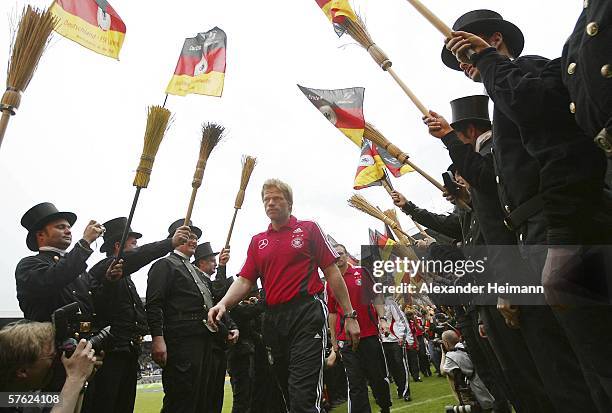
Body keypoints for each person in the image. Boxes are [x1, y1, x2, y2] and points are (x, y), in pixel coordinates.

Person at [443, 10, 610, 410]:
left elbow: (540, 114)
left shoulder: (530, 72)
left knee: (598, 357)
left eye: (466, 51)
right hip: (532, 238)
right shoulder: (504, 101)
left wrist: (490, 62)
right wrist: (451, 140)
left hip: (562, 225)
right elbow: (492, 184)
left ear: (495, 39)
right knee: (568, 363)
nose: (464, 64)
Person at [208, 178, 360, 413]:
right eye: (266, 200)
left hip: (306, 315)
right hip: (273, 322)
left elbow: (331, 272)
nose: (271, 203)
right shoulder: (257, 241)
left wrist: (349, 315)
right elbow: (246, 280)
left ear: (289, 203)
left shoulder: (309, 229)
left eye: (277, 198)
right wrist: (223, 304)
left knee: (303, 398)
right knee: (287, 397)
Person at [82, 217, 191, 413]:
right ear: (118, 246)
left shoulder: (127, 280)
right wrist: (169, 243)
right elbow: (138, 257)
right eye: (133, 243)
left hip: (128, 352)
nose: (137, 247)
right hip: (110, 354)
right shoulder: (103, 267)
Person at [145, 219, 217, 413]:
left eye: (195, 237)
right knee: (181, 397)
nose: (193, 241)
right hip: (181, 339)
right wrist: (157, 338)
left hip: (201, 337)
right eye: (188, 236)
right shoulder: (165, 265)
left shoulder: (194, 271)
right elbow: (154, 304)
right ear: (175, 238)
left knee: (199, 396)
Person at [15, 202, 114, 323]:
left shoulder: (78, 268)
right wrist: (84, 243)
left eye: (69, 227)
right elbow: (55, 277)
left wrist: (110, 281)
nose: (68, 231)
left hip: (85, 340)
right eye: (61, 227)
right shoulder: (28, 265)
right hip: (50, 340)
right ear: (41, 235)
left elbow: (98, 302)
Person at [327, 243, 392, 413]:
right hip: (346, 340)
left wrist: (383, 319)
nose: (338, 257)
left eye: (340, 253)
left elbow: (376, 296)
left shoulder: (361, 272)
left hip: (369, 334)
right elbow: (332, 313)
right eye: (334, 254)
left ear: (346, 254)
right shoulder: (330, 282)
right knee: (355, 384)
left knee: (377, 377)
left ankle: (385, 406)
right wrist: (334, 339)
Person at [0, 321, 97, 413]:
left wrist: (82, 378)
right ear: (23, 371)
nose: (58, 362)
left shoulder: (10, 397)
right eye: (52, 356)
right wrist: (75, 378)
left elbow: (65, 404)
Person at [193, 241, 238, 413]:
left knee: (214, 396)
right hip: (205, 345)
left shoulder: (208, 283)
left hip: (218, 345)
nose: (214, 264)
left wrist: (233, 327)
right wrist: (222, 267)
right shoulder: (199, 283)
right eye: (211, 261)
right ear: (201, 263)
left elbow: (222, 305)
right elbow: (219, 294)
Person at [440, 330, 495, 413]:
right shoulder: (467, 345)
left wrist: (443, 353)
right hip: (489, 381)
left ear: (446, 343)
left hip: (478, 389)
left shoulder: (451, 355)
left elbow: (443, 371)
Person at [381, 296, 412, 402]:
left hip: (395, 340)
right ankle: (400, 389)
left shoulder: (389, 302)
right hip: (381, 341)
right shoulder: (368, 302)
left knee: (400, 365)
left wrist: (402, 337)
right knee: (391, 367)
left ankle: (406, 391)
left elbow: (401, 319)